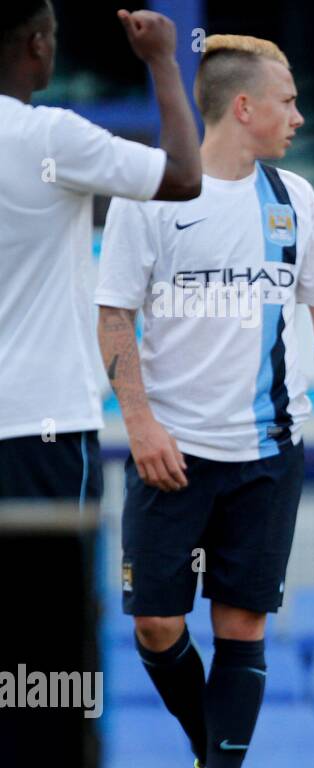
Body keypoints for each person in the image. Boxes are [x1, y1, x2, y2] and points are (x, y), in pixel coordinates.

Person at [94, 34, 314, 768]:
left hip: (268, 451)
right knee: (156, 625)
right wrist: (138, 423)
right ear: (243, 108)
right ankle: (209, 753)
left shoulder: (296, 199)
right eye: (287, 102)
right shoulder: (153, 197)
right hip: (169, 453)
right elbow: (114, 315)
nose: (299, 116)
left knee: (242, 626)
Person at [0, 2, 201, 503]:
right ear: (37, 44)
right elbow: (184, 175)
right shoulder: (48, 136)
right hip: (40, 424)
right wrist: (162, 61)